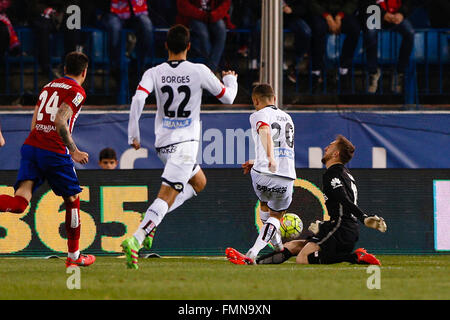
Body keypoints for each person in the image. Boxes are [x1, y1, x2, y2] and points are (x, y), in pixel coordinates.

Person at [121, 24, 238, 269]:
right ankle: (136, 238)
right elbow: (228, 97)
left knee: (199, 183)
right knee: (166, 196)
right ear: (188, 46)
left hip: (163, 145)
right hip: (184, 146)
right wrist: (230, 80)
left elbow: (138, 99)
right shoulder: (199, 70)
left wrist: (134, 133)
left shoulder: (154, 72)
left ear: (166, 46)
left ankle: (152, 217)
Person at [0, 52, 95, 268]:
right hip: (54, 150)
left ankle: (74, 257)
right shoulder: (77, 91)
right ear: (84, 72)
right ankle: (74, 257)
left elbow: (35, 121)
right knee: (73, 200)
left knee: (19, 203)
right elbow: (60, 121)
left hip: (32, 146)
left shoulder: (48, 86)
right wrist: (74, 151)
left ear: (63, 70)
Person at [256, 135, 387, 266]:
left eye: (330, 147)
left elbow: (344, 200)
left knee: (303, 259)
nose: (325, 148)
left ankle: (353, 257)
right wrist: (324, 226)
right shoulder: (343, 173)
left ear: (335, 154)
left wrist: (363, 217)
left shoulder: (333, 173)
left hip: (341, 229)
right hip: (341, 227)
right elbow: (342, 203)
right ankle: (254, 261)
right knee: (293, 245)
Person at [226, 83, 296, 265]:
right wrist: (271, 159)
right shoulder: (288, 117)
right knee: (276, 216)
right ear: (274, 99)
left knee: (265, 204)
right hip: (286, 176)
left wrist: (269, 159)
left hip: (262, 174)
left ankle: (278, 247)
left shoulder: (258, 114)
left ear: (256, 100)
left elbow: (264, 129)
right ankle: (256, 251)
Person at [362, 0, 414, 94]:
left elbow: (408, 4)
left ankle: (399, 72)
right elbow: (366, 3)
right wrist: (383, 14)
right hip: (376, 15)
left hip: (397, 16)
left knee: (410, 33)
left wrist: (401, 14)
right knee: (370, 32)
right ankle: (373, 72)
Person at [309, 0, 361, 93]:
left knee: (355, 29)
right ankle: (316, 72)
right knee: (318, 29)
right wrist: (327, 16)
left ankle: (344, 70)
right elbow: (312, 3)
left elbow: (352, 2)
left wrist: (340, 16)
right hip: (320, 13)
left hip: (343, 14)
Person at [176, 0, 234, 73]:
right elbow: (183, 5)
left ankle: (210, 71)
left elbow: (226, 3)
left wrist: (214, 15)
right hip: (194, 16)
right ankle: (212, 72)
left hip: (214, 15)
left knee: (221, 29)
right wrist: (203, 15)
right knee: (203, 34)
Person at [102, 0, 154, 75]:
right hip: (114, 12)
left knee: (147, 26)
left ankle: (140, 65)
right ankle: (115, 67)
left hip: (138, 11)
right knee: (114, 27)